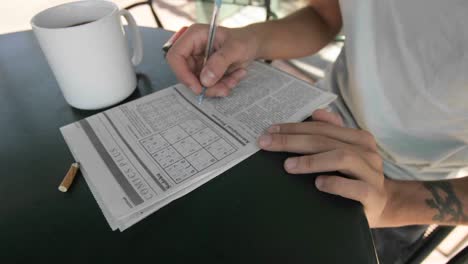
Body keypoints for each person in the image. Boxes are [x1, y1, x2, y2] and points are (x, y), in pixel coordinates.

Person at [166, 0, 468, 262]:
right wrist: (249, 39)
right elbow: (325, 16)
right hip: (319, 118)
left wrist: (392, 201)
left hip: (403, 188)